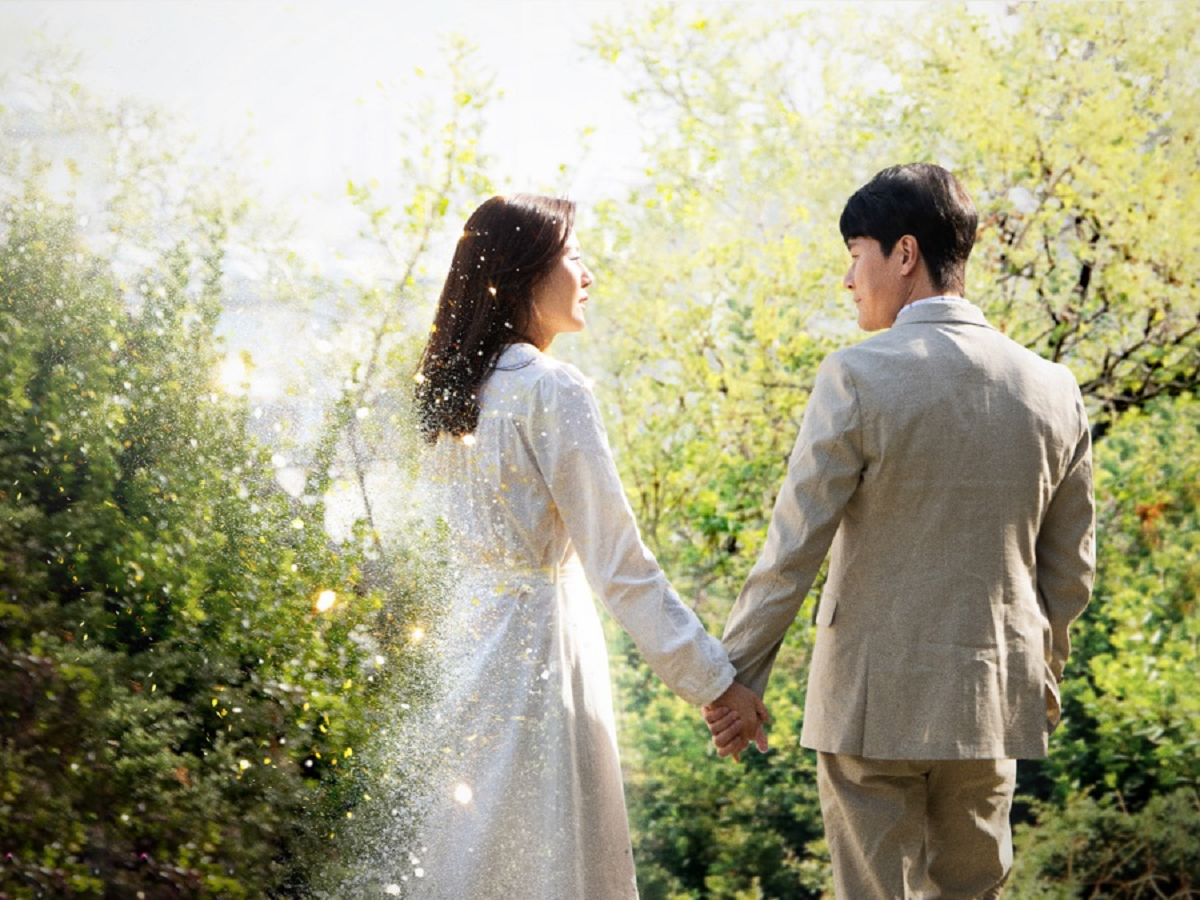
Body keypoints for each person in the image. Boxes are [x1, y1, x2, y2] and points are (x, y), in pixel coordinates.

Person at [704, 164, 1095, 898]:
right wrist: (1037, 675)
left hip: (869, 704)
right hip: (989, 704)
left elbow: (793, 548)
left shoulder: (858, 375)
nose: (850, 279)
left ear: (904, 253)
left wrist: (735, 677)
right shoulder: (1053, 387)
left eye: (857, 254)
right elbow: (1069, 573)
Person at [407, 194, 768, 899]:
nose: (588, 273)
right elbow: (620, 564)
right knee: (553, 858)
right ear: (522, 274)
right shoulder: (550, 389)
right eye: (574, 255)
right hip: (540, 651)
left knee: (474, 849)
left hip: (468, 647)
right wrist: (718, 682)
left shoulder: (453, 395)